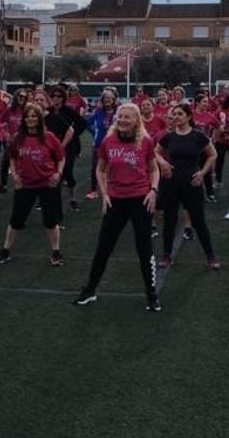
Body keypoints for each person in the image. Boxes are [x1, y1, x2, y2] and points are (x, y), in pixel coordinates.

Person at [75, 103, 161, 311]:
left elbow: (154, 169)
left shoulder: (145, 142)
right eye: (120, 116)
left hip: (140, 200)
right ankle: (90, 290)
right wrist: (104, 194)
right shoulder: (109, 141)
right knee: (103, 247)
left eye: (127, 117)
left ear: (136, 120)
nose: (122, 120)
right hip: (116, 200)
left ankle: (151, 294)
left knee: (144, 249)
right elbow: (100, 170)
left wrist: (153, 190)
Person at [0, 103, 66, 265]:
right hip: (25, 184)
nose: (30, 119)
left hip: (48, 184)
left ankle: (56, 252)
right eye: (27, 116)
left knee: (50, 221)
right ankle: (5, 250)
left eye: (34, 116)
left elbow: (61, 158)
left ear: (39, 118)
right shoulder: (18, 138)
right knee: (16, 220)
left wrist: (58, 173)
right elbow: (12, 157)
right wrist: (15, 176)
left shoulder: (49, 137)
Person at [156, 104, 219, 270]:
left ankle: (210, 256)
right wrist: (163, 162)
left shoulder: (198, 136)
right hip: (171, 182)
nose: (176, 117)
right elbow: (155, 152)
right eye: (174, 114)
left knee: (198, 221)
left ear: (189, 116)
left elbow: (213, 154)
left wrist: (202, 173)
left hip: (192, 182)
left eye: (180, 114)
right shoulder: (168, 137)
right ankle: (166, 255)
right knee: (170, 220)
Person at [45, 86, 85, 212]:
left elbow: (82, 123)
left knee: (67, 172)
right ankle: (47, 199)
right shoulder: (47, 111)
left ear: (63, 98)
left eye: (59, 96)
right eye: (53, 96)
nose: (56, 98)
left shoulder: (68, 110)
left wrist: (73, 135)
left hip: (67, 146)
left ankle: (72, 199)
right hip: (50, 147)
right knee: (50, 172)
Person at [0, 88, 31, 195]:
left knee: (25, 164)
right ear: (16, 97)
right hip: (12, 143)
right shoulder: (9, 110)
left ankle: (27, 185)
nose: (22, 99)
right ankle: (3, 184)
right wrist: (5, 133)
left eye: (24, 97)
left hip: (26, 142)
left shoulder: (28, 110)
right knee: (6, 163)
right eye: (20, 96)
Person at [84, 90, 118, 200]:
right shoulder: (98, 111)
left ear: (114, 100)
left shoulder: (118, 112)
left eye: (109, 98)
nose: (107, 100)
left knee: (114, 167)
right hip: (98, 144)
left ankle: (113, 189)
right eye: (105, 98)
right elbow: (88, 122)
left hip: (115, 145)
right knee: (95, 167)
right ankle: (94, 190)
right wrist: (95, 132)